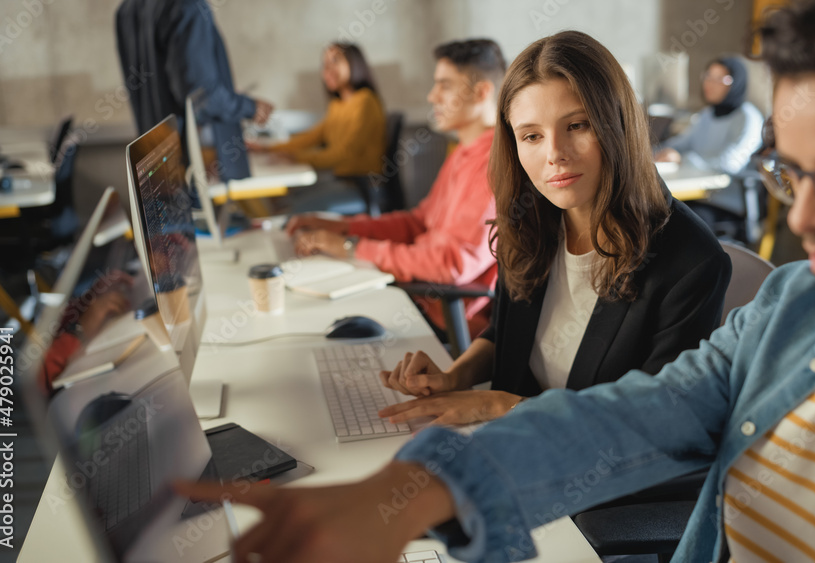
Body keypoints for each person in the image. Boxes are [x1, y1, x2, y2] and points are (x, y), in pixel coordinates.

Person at [181, 2, 815, 562]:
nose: (803, 218)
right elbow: (638, 415)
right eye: (789, 174)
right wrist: (411, 490)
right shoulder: (791, 307)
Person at [373, 32, 731, 427]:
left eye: (577, 125)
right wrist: (453, 376)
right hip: (507, 443)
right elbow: (507, 332)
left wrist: (499, 406)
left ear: (618, 124)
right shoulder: (531, 219)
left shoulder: (692, 261)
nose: (554, 154)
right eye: (531, 136)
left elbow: (656, 418)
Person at [287, 39, 507, 337]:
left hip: (443, 319)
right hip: (415, 295)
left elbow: (453, 264)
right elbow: (418, 223)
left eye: (444, 85)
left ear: (481, 92)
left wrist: (352, 248)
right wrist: (341, 228)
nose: (432, 96)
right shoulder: (463, 153)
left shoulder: (494, 165)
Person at [115, 0, 273, 182]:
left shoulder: (127, 9)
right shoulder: (187, 6)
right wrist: (250, 107)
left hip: (154, 162)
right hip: (192, 163)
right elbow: (202, 97)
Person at [261, 43, 386, 177]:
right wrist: (266, 148)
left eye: (335, 61)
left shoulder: (365, 101)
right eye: (324, 64)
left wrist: (295, 157)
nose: (328, 69)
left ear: (354, 62)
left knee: (291, 194)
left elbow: (346, 152)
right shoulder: (337, 105)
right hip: (342, 178)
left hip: (362, 182)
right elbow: (310, 138)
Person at [656, 56, 764, 175]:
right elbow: (682, 143)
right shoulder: (707, 114)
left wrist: (682, 160)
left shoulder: (749, 117)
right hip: (697, 182)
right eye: (708, 76)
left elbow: (731, 163)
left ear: (737, 83)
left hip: (728, 189)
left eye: (720, 79)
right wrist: (659, 152)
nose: (710, 84)